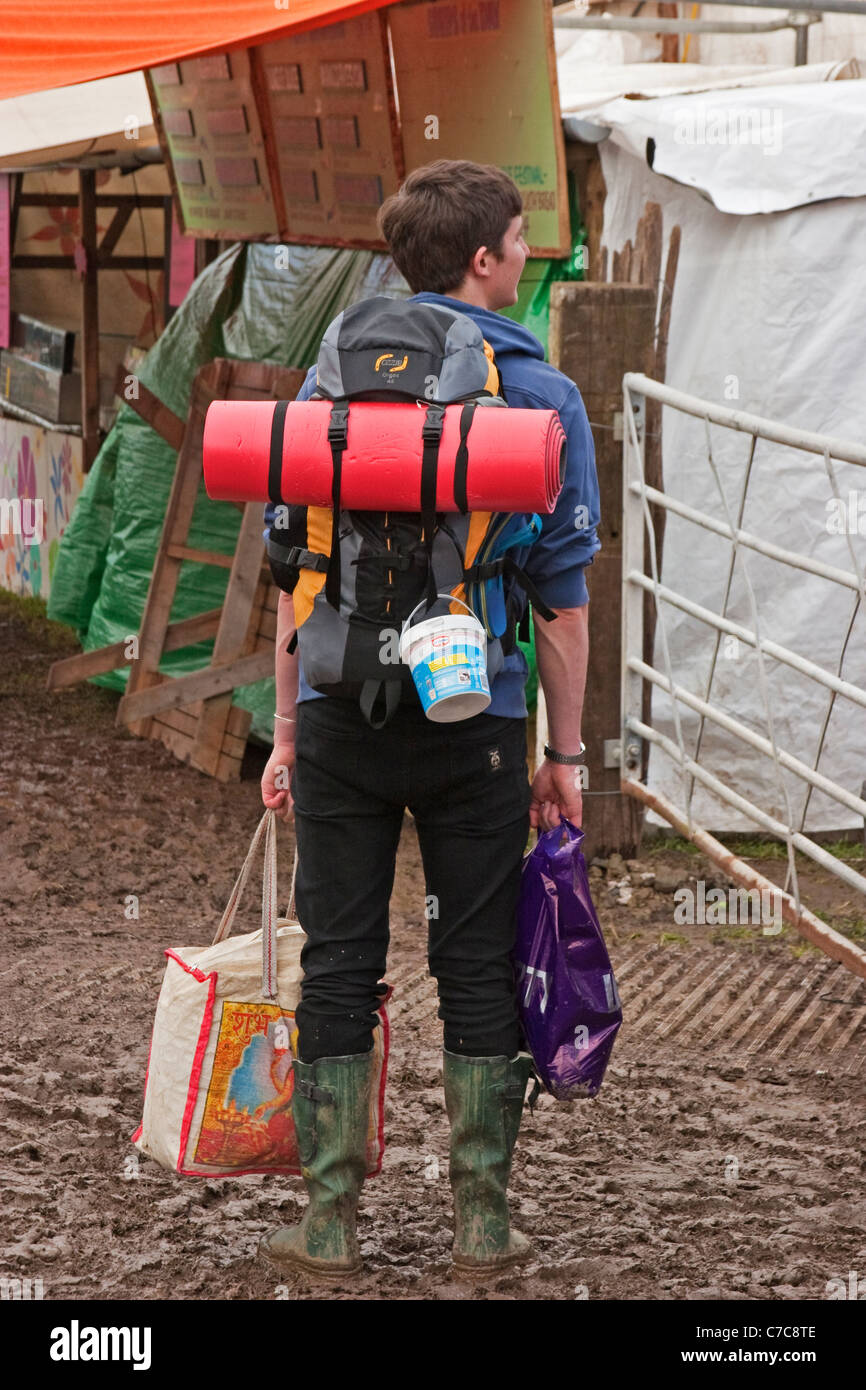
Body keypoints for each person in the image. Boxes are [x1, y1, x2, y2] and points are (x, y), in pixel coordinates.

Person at [258, 159, 600, 1279]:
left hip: (341, 712)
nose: (523, 253)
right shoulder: (539, 398)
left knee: (340, 958)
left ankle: (324, 1225)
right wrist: (563, 755)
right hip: (477, 722)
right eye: (516, 238)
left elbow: (297, 575)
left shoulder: (329, 386)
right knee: (474, 959)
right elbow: (559, 605)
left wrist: (290, 726)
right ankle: (482, 1226)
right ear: (484, 258)